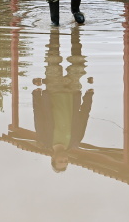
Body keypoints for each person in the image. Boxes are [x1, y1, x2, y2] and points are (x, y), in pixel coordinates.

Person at [32, 27, 93, 172]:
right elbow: (84, 116)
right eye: (66, 161)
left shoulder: (44, 139)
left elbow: (38, 115)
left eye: (61, 161)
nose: (64, 159)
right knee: (78, 63)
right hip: (73, 92)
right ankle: (76, 32)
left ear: (53, 158)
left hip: (52, 91)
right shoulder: (76, 140)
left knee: (53, 59)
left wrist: (36, 94)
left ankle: (54, 30)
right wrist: (89, 96)